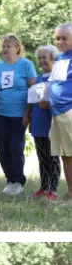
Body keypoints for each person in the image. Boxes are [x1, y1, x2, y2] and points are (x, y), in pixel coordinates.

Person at [0, 34, 37, 195]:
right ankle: (10, 180)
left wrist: (29, 112)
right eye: (4, 46)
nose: (5, 49)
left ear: (17, 48)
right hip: (0, 113)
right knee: (2, 149)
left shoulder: (26, 65)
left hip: (19, 114)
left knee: (15, 147)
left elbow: (33, 89)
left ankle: (18, 181)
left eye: (9, 46)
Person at [28, 45, 61, 200]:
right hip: (39, 123)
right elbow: (34, 101)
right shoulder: (39, 78)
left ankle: (53, 189)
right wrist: (30, 120)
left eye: (45, 58)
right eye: (39, 58)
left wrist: (50, 104)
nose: (41, 61)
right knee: (42, 158)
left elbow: (64, 99)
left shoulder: (58, 77)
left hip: (53, 123)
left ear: (53, 59)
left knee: (53, 156)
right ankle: (44, 187)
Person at [49, 23, 72, 197]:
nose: (60, 42)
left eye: (64, 38)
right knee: (65, 155)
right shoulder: (59, 58)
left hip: (69, 110)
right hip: (56, 113)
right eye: (58, 38)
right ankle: (71, 193)